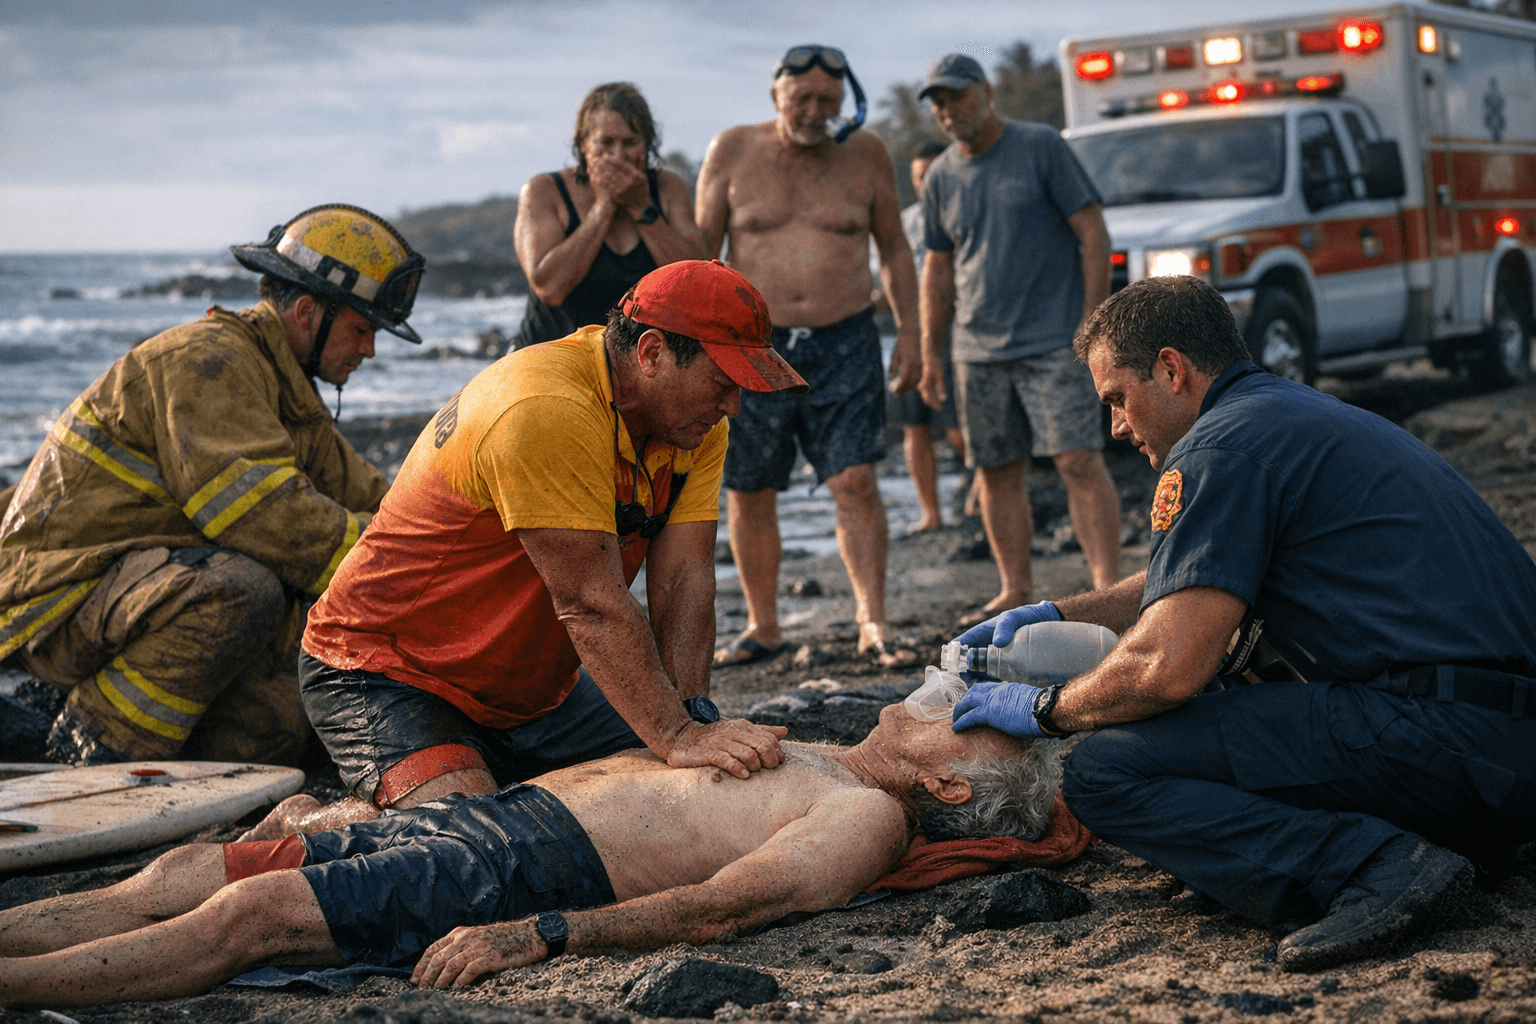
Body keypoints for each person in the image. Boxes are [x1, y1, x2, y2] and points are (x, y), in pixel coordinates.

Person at [949, 276, 1536, 972]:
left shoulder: (1217, 450)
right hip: (1507, 743)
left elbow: (1166, 670)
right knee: (1230, 697)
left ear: (1171, 369)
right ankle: (1458, 838)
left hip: (1454, 742)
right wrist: (1057, 614)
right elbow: (1200, 576)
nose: (1116, 427)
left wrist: (1047, 709)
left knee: (1110, 770)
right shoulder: (1284, 416)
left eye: (1118, 399)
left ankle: (1375, 868)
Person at [0, 702, 1057, 1008]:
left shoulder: (866, 817)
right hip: (495, 818)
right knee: (192, 871)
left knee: (248, 918)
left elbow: (719, 910)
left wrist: (538, 934)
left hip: (523, 871)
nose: (930, 703)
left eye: (953, 723)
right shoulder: (826, 753)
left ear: (948, 786)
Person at [292, 260, 806, 834]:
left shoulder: (692, 423)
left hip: (533, 692)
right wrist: (677, 738)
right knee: (479, 841)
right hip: (385, 670)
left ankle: (469, 780)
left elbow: (685, 576)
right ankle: (305, 825)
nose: (733, 406)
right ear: (653, 353)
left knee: (679, 793)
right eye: (723, 382)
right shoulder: (546, 407)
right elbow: (590, 605)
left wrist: (692, 720)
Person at [0, 205, 422, 766]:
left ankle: (226, 766)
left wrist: (446, 540)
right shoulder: (209, 363)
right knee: (245, 588)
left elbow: (371, 497)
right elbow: (271, 519)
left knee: (285, 606)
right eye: (362, 328)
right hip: (51, 600)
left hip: (122, 589)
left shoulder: (284, 389)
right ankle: (96, 746)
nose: (369, 349)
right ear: (305, 312)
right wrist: (400, 572)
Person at [697, 44, 923, 667]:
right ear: (776, 95)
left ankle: (872, 622)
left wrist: (912, 333)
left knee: (855, 479)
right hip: (752, 343)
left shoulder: (867, 154)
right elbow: (699, 251)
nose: (816, 111)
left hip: (845, 335)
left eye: (829, 100)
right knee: (750, 487)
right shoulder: (732, 150)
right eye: (803, 100)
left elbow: (896, 250)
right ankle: (764, 626)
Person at [916, 53, 1122, 625]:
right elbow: (936, 269)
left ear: (984, 91)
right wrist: (932, 352)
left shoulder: (1041, 146)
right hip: (975, 349)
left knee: (1077, 459)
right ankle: (1015, 586)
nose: (947, 110)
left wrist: (1093, 326)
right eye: (937, 102)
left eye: (956, 96)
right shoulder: (939, 176)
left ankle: (1107, 583)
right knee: (995, 470)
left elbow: (1093, 234)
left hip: (1054, 339)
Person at [514, 82, 706, 348]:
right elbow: (550, 289)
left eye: (630, 142)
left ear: (646, 145)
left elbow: (696, 285)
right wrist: (603, 207)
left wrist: (640, 207)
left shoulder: (666, 188)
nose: (618, 155)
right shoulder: (543, 191)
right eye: (606, 142)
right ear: (584, 144)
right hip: (550, 357)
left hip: (631, 367)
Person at [893, 140, 971, 532]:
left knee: (958, 426)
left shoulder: (966, 214)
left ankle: (978, 489)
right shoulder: (906, 223)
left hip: (957, 328)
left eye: (931, 175)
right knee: (915, 427)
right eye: (918, 177)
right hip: (913, 331)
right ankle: (931, 513)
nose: (925, 184)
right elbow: (888, 272)